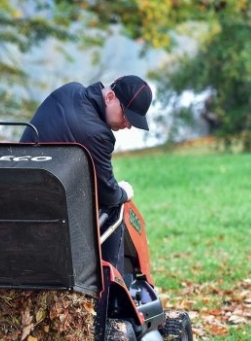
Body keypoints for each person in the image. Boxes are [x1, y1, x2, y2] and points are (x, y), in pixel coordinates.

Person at [20, 75, 153, 274]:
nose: (128, 125)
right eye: (126, 115)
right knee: (116, 207)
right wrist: (124, 192)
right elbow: (107, 192)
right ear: (109, 97)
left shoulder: (68, 90)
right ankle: (109, 293)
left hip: (19, 190)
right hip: (55, 215)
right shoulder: (98, 134)